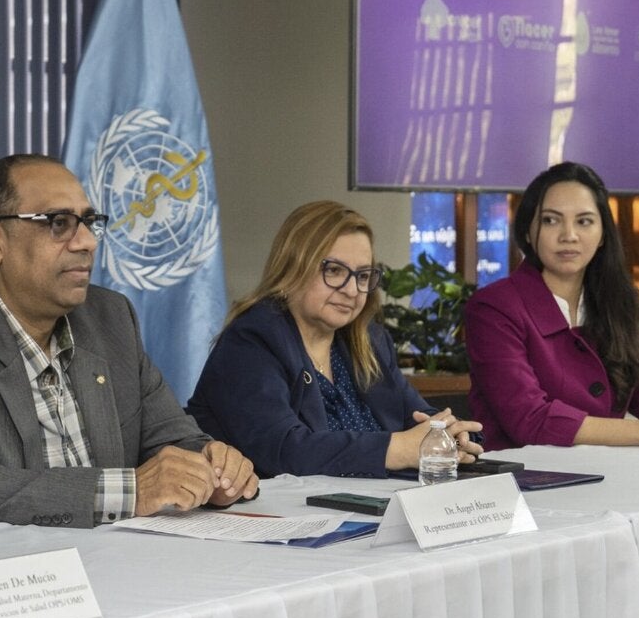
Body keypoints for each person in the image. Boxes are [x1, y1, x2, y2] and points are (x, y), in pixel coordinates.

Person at [0, 154, 259, 536]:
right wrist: (132, 491)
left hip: (99, 566)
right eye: (58, 223)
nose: (86, 241)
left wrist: (213, 465)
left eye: (88, 222)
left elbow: (173, 439)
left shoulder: (111, 317)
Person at [186, 201, 482, 477]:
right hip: (279, 521)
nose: (352, 290)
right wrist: (400, 449)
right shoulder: (252, 341)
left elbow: (418, 417)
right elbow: (284, 451)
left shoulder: (369, 341)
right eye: (335, 271)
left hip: (371, 512)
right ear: (293, 267)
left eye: (363, 276)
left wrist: (450, 435)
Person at [464, 161, 639, 449]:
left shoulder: (620, 301)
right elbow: (529, 420)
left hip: (610, 473)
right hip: (524, 480)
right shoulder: (493, 308)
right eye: (550, 220)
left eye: (584, 221)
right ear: (528, 232)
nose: (568, 235)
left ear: (602, 235)